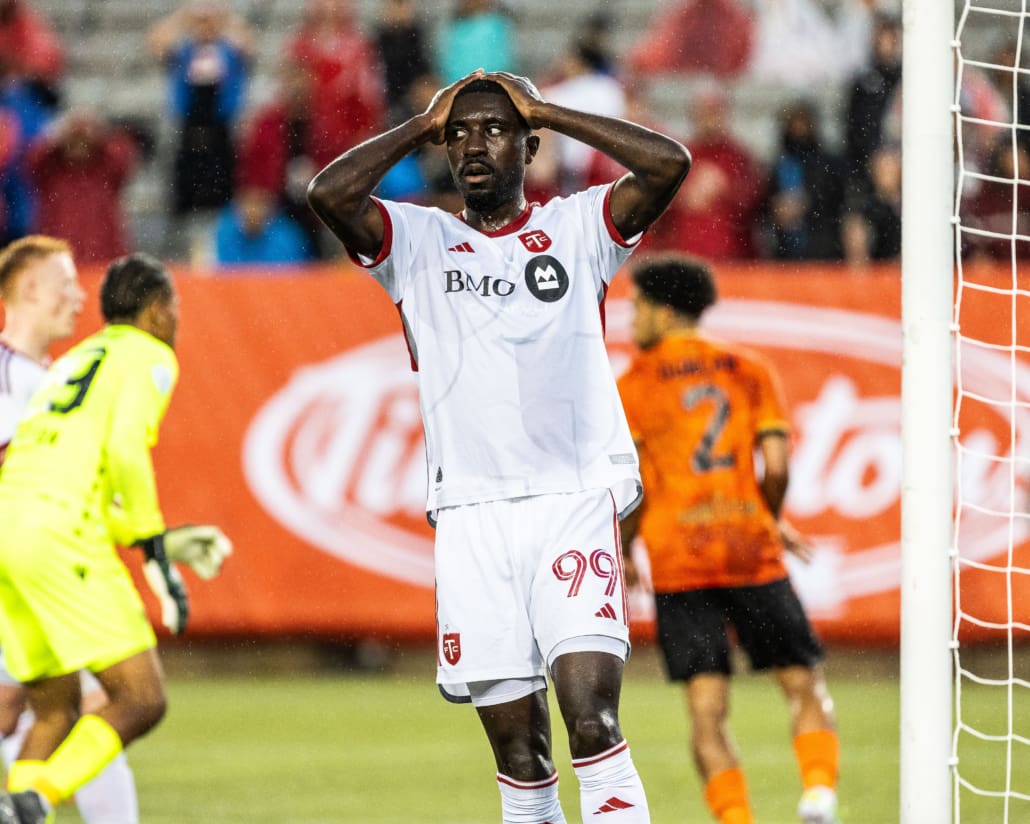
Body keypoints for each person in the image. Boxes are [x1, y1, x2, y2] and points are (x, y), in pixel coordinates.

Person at [307, 69, 690, 823]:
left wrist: (545, 107)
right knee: (521, 756)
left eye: (492, 128)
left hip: (570, 499)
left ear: (528, 143)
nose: (471, 143)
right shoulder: (417, 242)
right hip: (471, 516)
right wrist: (420, 123)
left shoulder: (580, 229)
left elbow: (667, 164)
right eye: (458, 134)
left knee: (593, 724)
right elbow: (328, 196)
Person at [0, 251, 232, 824]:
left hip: (12, 533)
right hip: (57, 536)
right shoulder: (148, 355)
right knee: (140, 699)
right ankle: (32, 801)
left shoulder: (72, 361)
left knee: (53, 711)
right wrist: (153, 545)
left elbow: (72, 478)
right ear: (156, 311)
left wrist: (160, 539)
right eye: (174, 307)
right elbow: (125, 449)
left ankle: (19, 804)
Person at [617, 256, 840, 824]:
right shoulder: (748, 368)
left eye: (637, 306)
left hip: (679, 555)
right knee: (802, 683)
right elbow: (777, 465)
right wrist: (767, 516)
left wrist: (625, 546)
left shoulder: (634, 385)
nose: (631, 317)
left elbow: (635, 486)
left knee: (707, 711)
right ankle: (817, 794)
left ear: (664, 313)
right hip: (747, 545)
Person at [0, 236, 142, 823]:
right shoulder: (10, 378)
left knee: (59, 713)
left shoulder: (52, 379)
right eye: (65, 283)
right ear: (29, 288)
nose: (79, 296)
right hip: (21, 575)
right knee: (106, 706)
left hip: (38, 575)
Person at [25, 110, 140, 264]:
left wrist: (96, 134)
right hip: (57, 262)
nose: (79, 145)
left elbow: (124, 156)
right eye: (74, 139)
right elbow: (34, 159)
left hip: (102, 259)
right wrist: (60, 138)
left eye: (84, 139)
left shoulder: (105, 172)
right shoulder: (52, 173)